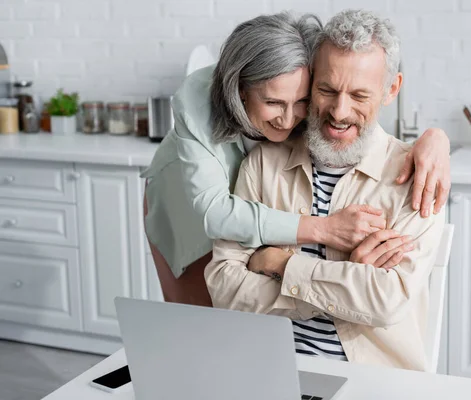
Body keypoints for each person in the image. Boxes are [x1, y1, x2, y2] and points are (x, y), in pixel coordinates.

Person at [141, 12, 450, 307]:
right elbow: (216, 214)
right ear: (241, 91)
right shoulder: (195, 99)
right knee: (196, 321)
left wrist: (436, 138)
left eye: (301, 101)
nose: (289, 121)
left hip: (256, 195)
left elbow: (355, 110)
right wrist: (324, 230)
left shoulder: (308, 80)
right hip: (188, 199)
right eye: (274, 102)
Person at [204, 9, 445, 371]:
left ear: (390, 89)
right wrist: (346, 276)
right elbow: (224, 287)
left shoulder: (418, 177)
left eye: (360, 95)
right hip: (267, 368)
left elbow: (386, 302)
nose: (339, 111)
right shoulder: (263, 164)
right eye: (327, 90)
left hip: (373, 384)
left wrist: (281, 265)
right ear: (311, 79)